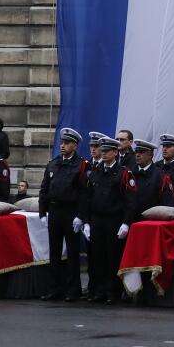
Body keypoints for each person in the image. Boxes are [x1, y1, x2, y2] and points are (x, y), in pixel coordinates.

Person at [80, 136, 136, 304]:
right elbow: (87, 198)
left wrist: (126, 222)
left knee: (112, 257)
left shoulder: (124, 173)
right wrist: (87, 221)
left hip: (114, 219)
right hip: (97, 219)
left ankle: (113, 291)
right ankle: (98, 290)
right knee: (97, 257)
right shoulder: (95, 172)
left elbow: (130, 201)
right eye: (102, 151)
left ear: (115, 152)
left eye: (106, 151)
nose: (103, 154)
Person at [39, 127, 88, 302]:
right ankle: (54, 288)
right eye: (62, 142)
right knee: (54, 251)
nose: (63, 145)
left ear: (74, 146)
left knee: (73, 253)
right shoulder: (53, 163)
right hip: (54, 210)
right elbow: (44, 189)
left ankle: (73, 289)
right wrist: (42, 212)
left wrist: (81, 216)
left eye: (67, 143)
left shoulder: (81, 165)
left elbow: (84, 193)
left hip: (71, 211)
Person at [131, 139, 174, 212]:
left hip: (150, 219)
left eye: (141, 152)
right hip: (130, 219)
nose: (137, 155)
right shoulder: (129, 172)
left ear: (150, 155)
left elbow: (166, 202)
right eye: (136, 152)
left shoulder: (160, 176)